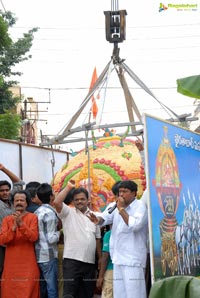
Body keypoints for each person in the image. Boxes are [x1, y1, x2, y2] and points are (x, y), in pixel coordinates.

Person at [89, 180, 148, 298]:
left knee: (134, 294)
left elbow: (135, 225)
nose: (121, 194)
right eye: (120, 191)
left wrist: (121, 210)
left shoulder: (140, 207)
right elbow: (104, 217)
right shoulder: (114, 206)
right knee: (119, 294)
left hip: (133, 260)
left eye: (125, 191)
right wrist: (97, 220)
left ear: (134, 193)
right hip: (118, 258)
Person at [53, 182, 101, 298]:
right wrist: (69, 186)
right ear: (73, 201)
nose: (79, 201)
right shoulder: (68, 213)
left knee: (87, 294)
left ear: (88, 200)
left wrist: (99, 259)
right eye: (76, 199)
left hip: (90, 263)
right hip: (72, 261)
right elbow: (57, 202)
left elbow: (98, 239)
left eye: (82, 199)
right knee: (69, 294)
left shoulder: (94, 216)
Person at [0, 190, 40, 298]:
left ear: (26, 203)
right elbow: (2, 240)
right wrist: (13, 228)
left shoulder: (32, 217)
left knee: (28, 290)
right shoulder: (6, 220)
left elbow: (33, 237)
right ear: (13, 203)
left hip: (28, 264)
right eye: (16, 200)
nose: (19, 202)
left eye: (22, 200)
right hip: (11, 265)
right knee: (9, 291)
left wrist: (21, 224)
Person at [0, 164, 24, 296]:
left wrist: (4, 169)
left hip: (14, 242)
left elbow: (19, 182)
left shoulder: (12, 201)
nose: (5, 192)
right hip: (2, 244)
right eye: (2, 190)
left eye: (7, 190)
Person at [34, 183, 60, 298]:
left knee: (43, 287)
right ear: (51, 197)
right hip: (48, 255)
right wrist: (61, 231)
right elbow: (51, 239)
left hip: (38, 255)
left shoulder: (37, 212)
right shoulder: (50, 213)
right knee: (52, 288)